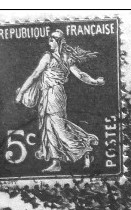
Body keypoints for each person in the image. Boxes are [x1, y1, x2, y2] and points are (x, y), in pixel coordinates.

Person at [15, 30, 105, 173]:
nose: (49, 42)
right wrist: (95, 81)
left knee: (59, 129)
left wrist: (21, 93)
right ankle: (56, 162)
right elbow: (80, 75)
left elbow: (35, 76)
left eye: (52, 40)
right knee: (50, 127)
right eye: (49, 40)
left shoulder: (50, 57)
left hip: (53, 95)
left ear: (59, 41)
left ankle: (85, 149)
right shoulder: (64, 57)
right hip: (50, 95)